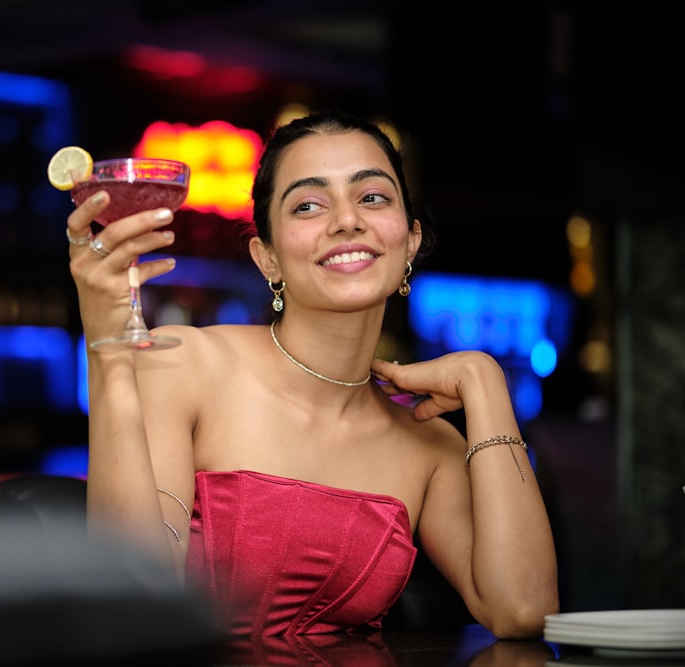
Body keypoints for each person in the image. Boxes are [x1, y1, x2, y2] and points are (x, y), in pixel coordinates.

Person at [64, 110, 559, 639]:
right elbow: (136, 601)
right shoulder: (187, 365)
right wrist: (110, 352)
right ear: (267, 258)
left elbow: (523, 609)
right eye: (308, 205)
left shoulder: (427, 443)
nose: (347, 220)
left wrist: (486, 382)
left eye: (372, 197)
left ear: (410, 240)